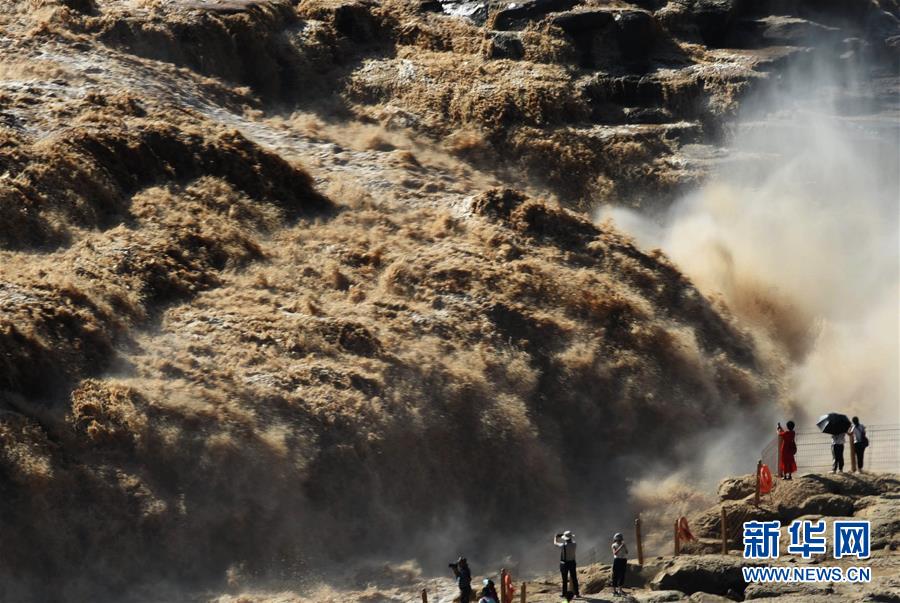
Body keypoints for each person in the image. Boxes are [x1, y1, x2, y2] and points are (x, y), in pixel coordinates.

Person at [554, 531, 579, 598]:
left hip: (565, 563)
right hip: (572, 562)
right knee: (574, 578)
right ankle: (577, 593)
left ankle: (564, 594)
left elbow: (555, 543)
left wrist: (555, 537)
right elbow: (571, 540)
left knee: (564, 580)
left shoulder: (563, 546)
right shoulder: (574, 544)